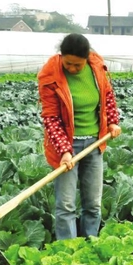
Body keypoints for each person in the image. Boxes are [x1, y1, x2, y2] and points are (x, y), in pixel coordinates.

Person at [38, 33, 121, 240]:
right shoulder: (50, 75)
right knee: (66, 205)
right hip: (67, 145)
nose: (73, 69)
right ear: (61, 56)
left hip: (94, 143)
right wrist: (64, 151)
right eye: (69, 64)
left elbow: (107, 97)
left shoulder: (96, 68)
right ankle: (68, 249)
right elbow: (51, 118)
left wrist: (112, 121)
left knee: (92, 203)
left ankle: (90, 243)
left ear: (87, 58)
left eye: (78, 65)